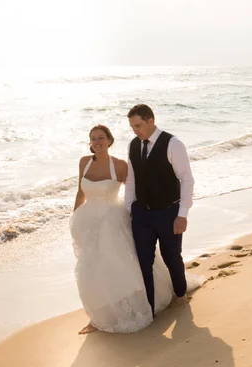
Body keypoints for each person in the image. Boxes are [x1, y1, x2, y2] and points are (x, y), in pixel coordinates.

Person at [70, 124, 202, 335]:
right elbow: (80, 192)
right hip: (88, 223)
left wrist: (145, 212)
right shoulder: (84, 163)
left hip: (112, 221)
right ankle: (98, 317)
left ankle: (138, 304)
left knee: (122, 264)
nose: (97, 142)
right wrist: (75, 218)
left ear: (109, 140)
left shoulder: (120, 165)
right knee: (92, 268)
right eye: (93, 138)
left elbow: (135, 187)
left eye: (101, 137)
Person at [125, 104, 195, 316]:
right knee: (143, 260)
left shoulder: (173, 144)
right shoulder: (133, 145)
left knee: (171, 256)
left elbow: (187, 180)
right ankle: (149, 307)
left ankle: (181, 296)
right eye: (132, 127)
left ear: (151, 121)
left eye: (138, 125)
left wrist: (182, 215)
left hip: (168, 212)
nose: (135, 130)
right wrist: (130, 208)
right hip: (142, 214)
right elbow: (131, 179)